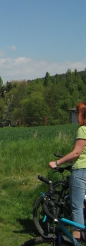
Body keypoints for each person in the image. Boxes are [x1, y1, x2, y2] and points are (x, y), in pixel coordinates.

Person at [48, 102, 86, 242]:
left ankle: (76, 240)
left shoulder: (83, 129)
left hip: (81, 171)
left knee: (76, 207)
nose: (75, 115)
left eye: (77, 112)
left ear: (81, 114)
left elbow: (77, 152)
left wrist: (57, 162)